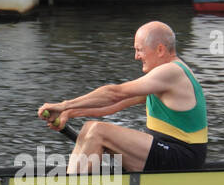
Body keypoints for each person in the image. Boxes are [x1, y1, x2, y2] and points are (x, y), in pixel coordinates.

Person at [37, 21, 207, 173]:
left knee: (98, 131)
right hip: (166, 152)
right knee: (89, 127)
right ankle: (74, 179)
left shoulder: (171, 72)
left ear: (160, 49)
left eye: (139, 50)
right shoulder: (161, 79)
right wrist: (69, 113)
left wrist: (64, 105)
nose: (136, 56)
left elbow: (114, 93)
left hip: (182, 158)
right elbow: (113, 105)